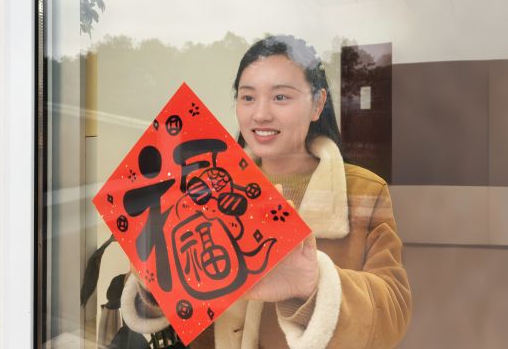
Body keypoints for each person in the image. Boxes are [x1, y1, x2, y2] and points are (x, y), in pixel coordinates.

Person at [120, 35, 412, 348]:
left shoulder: (364, 192)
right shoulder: (204, 181)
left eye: (280, 97)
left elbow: (393, 312)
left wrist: (314, 284)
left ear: (317, 104)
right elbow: (164, 302)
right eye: (247, 97)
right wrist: (153, 284)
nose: (260, 114)